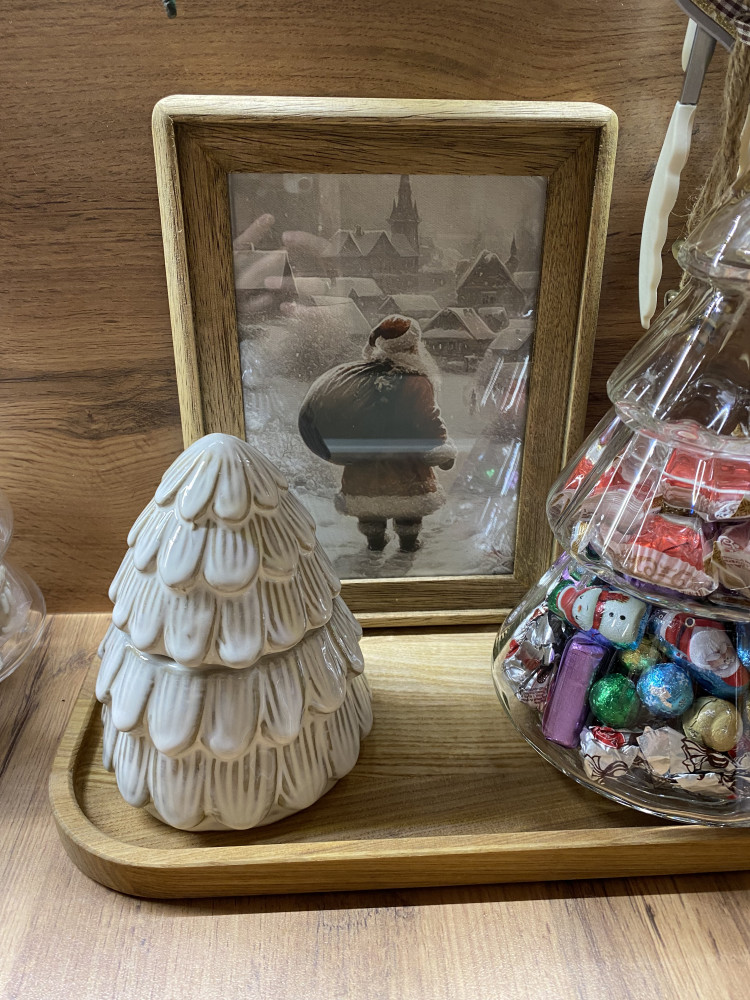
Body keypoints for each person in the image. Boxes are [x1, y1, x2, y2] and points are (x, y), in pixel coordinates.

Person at [298, 315, 457, 552]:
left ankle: (374, 542)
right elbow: (428, 418)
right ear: (412, 347)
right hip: (403, 462)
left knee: (370, 507)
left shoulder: (364, 375)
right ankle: (408, 544)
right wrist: (442, 449)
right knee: (408, 507)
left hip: (364, 460)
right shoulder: (415, 380)